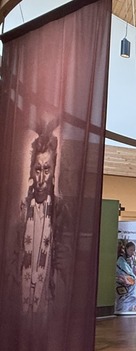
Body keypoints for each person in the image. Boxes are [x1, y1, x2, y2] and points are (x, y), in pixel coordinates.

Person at [19, 121, 64, 313]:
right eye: (38, 170)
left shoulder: (59, 211)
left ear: (53, 173)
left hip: (46, 296)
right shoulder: (22, 210)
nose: (41, 178)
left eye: (46, 170)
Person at [115, 241, 136, 313]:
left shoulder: (133, 258)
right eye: (131, 250)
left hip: (132, 280)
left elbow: (135, 269)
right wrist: (128, 277)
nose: (132, 252)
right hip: (123, 280)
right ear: (126, 249)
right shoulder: (121, 259)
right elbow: (122, 269)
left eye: (134, 250)